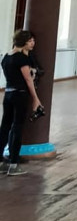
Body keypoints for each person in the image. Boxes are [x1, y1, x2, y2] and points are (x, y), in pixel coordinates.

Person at [0, 30, 42, 176]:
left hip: (8, 94)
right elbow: (28, 80)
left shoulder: (6, 57)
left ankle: (1, 162)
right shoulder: (22, 59)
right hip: (20, 95)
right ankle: (14, 163)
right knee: (17, 127)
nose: (32, 43)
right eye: (30, 41)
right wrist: (36, 99)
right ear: (23, 42)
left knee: (5, 127)